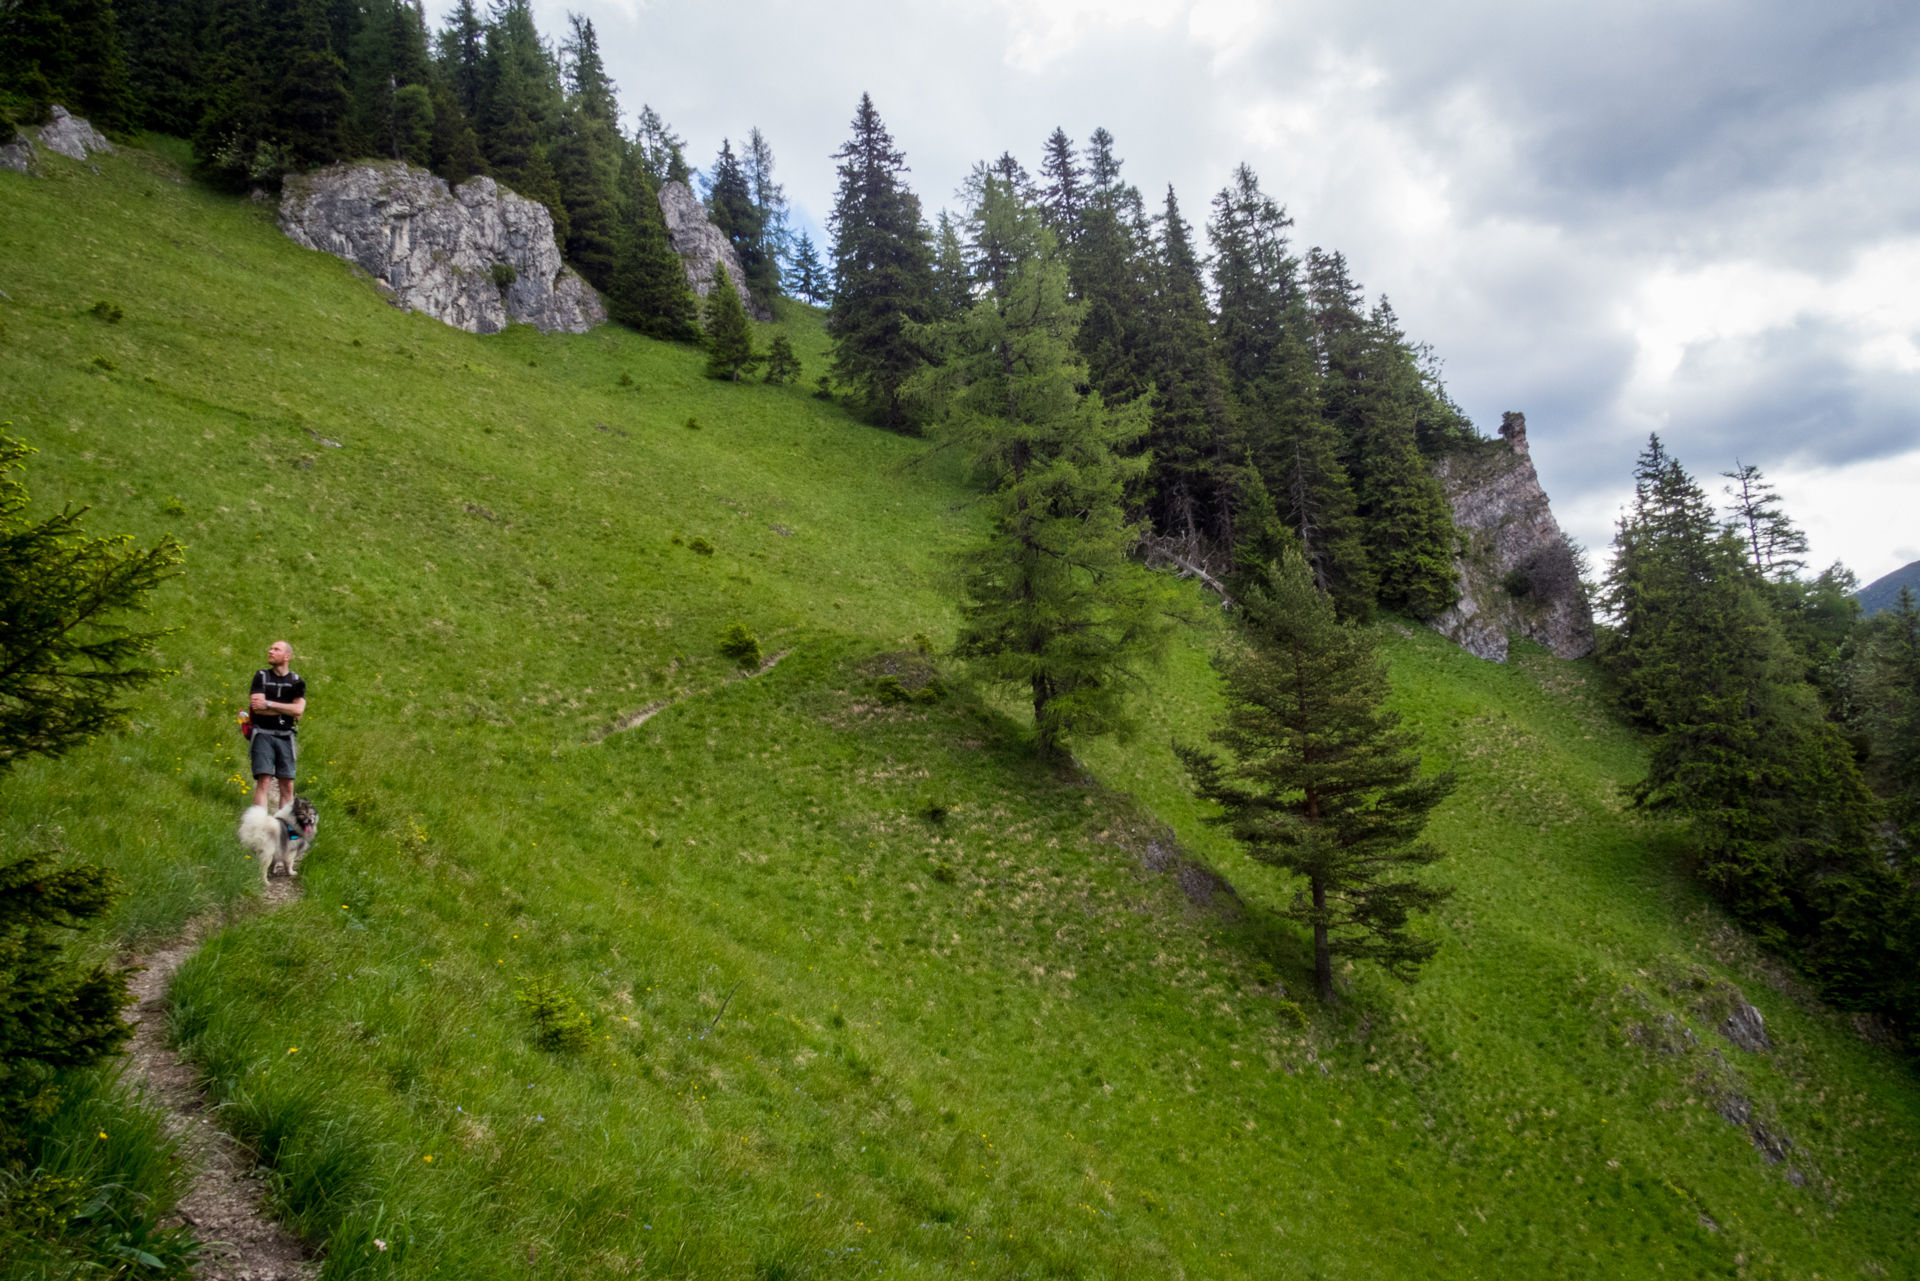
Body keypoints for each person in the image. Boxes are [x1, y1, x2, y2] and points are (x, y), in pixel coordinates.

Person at [249, 640, 306, 809]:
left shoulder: (297, 681)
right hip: (262, 733)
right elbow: (256, 708)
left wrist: (268, 704)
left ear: (287, 656)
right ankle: (258, 827)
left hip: (286, 736)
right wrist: (286, 709)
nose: (270, 651)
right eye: (271, 648)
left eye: (276, 649)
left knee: (287, 785)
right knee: (264, 780)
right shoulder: (261, 676)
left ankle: (283, 828)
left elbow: (298, 710)